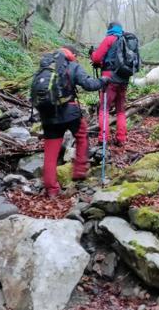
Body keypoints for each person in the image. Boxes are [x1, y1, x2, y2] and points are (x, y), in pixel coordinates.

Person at [36, 46, 108, 197]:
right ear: (72, 54)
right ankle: (80, 171)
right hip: (70, 112)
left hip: (47, 114)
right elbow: (89, 85)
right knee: (82, 136)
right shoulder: (72, 66)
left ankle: (51, 189)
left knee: (50, 153)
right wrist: (103, 80)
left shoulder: (46, 65)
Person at [91, 21, 129, 146]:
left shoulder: (109, 39)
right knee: (120, 110)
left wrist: (92, 54)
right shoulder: (125, 41)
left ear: (110, 29)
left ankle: (103, 139)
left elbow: (97, 58)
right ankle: (121, 139)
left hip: (109, 79)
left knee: (104, 109)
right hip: (123, 79)